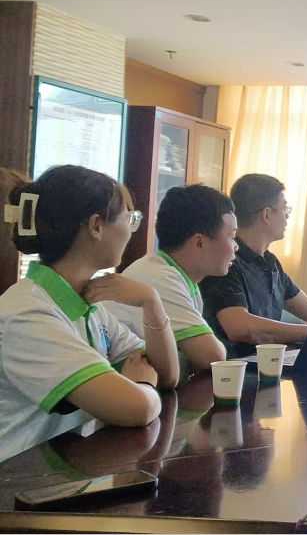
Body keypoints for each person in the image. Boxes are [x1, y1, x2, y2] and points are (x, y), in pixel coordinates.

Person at [0, 165, 178, 462]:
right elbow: (138, 408)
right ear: (96, 226)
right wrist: (143, 386)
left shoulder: (88, 304)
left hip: (64, 470)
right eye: (129, 218)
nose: (131, 230)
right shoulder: (28, 314)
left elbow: (167, 375)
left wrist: (152, 304)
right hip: (18, 480)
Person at [109, 185, 236, 374]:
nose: (235, 247)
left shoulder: (178, 277)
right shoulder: (160, 279)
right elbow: (213, 357)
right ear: (199, 242)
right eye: (232, 237)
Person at [200, 174, 307, 358]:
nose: (287, 216)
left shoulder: (270, 262)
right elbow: (240, 327)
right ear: (267, 214)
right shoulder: (225, 262)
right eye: (284, 209)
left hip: (267, 362)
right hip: (236, 368)